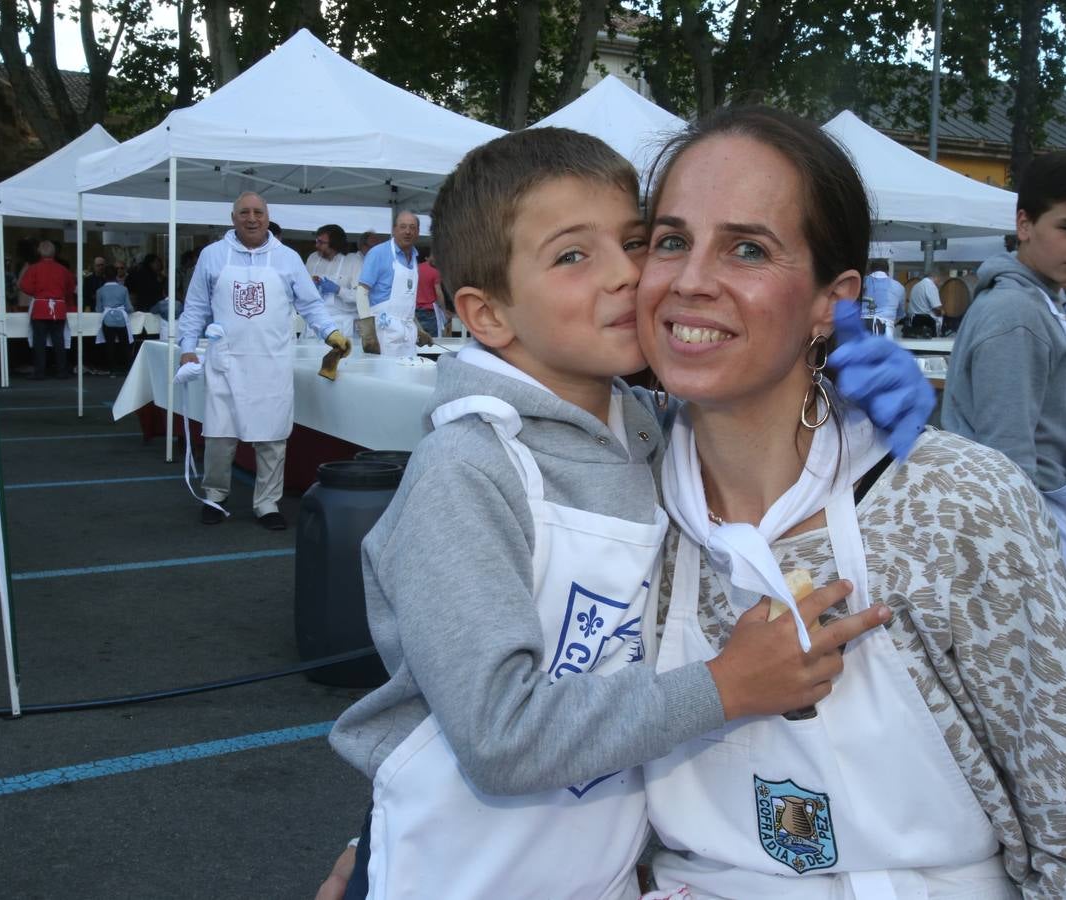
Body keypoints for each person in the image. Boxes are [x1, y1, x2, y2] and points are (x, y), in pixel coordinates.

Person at [324, 127, 923, 900]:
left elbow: (760, 408)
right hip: (453, 872)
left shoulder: (647, 433)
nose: (627, 276)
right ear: (487, 314)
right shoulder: (467, 469)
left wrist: (839, 384)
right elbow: (495, 732)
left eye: (637, 242)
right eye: (574, 256)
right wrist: (724, 687)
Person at [637, 108, 1066, 898]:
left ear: (833, 301)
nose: (690, 280)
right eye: (671, 240)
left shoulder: (955, 505)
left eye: (748, 248)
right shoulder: (618, 503)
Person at [942, 151, 1066, 613]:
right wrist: (1024, 569)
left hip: (1050, 516)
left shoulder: (1039, 302)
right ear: (1025, 224)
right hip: (1029, 529)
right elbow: (1008, 462)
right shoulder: (1016, 314)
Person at [177, 191, 351, 530]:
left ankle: (267, 502)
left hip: (271, 362)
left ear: (268, 217)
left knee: (272, 437)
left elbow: (311, 304)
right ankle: (214, 495)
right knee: (219, 435)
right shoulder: (213, 256)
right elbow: (195, 306)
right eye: (244, 212)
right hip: (225, 361)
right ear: (233, 218)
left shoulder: (287, 258)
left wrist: (330, 332)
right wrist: (187, 346)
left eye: (258, 212)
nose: (252, 218)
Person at [355, 211, 424, 356]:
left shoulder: (414, 257)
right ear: (394, 230)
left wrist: (419, 329)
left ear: (418, 232)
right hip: (383, 330)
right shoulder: (378, 253)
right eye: (403, 227)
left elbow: (408, 299)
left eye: (412, 227)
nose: (407, 231)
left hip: (408, 331)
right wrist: (368, 332)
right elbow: (362, 291)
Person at [18, 239, 75, 380]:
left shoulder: (34, 268)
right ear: (54, 252)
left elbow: (24, 285)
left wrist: (37, 293)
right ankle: (62, 371)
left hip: (41, 307)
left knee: (39, 342)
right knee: (59, 341)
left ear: (39, 252)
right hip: (59, 307)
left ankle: (39, 372)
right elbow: (71, 286)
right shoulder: (63, 270)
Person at [305, 224, 362, 337]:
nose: (317, 245)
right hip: (317, 322)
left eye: (321, 242)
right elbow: (301, 290)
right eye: (317, 241)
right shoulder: (313, 258)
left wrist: (338, 290)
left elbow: (361, 296)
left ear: (335, 243)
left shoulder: (353, 261)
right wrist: (311, 286)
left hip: (343, 324)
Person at [95, 263, 134, 374]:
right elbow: (129, 307)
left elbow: (98, 309)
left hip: (107, 319)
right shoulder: (123, 289)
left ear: (104, 276)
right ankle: (128, 369)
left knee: (110, 345)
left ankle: (112, 370)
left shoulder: (100, 290)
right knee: (125, 344)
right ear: (116, 275)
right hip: (121, 318)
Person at [859, 258, 904, 336]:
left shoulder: (862, 282)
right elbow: (900, 314)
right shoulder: (898, 286)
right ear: (887, 271)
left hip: (861, 327)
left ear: (870, 269)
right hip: (885, 329)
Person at [413, 250, 445, 337]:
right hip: (430, 312)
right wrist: (443, 310)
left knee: (417, 339)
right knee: (432, 341)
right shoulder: (435, 271)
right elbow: (438, 292)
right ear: (427, 257)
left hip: (415, 310)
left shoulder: (415, 268)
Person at [905, 268, 942, 336]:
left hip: (915, 319)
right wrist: (942, 313)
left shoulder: (916, 285)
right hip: (927, 321)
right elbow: (937, 307)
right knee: (931, 344)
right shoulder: (931, 286)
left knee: (917, 344)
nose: (939, 282)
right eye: (939, 280)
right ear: (936, 277)